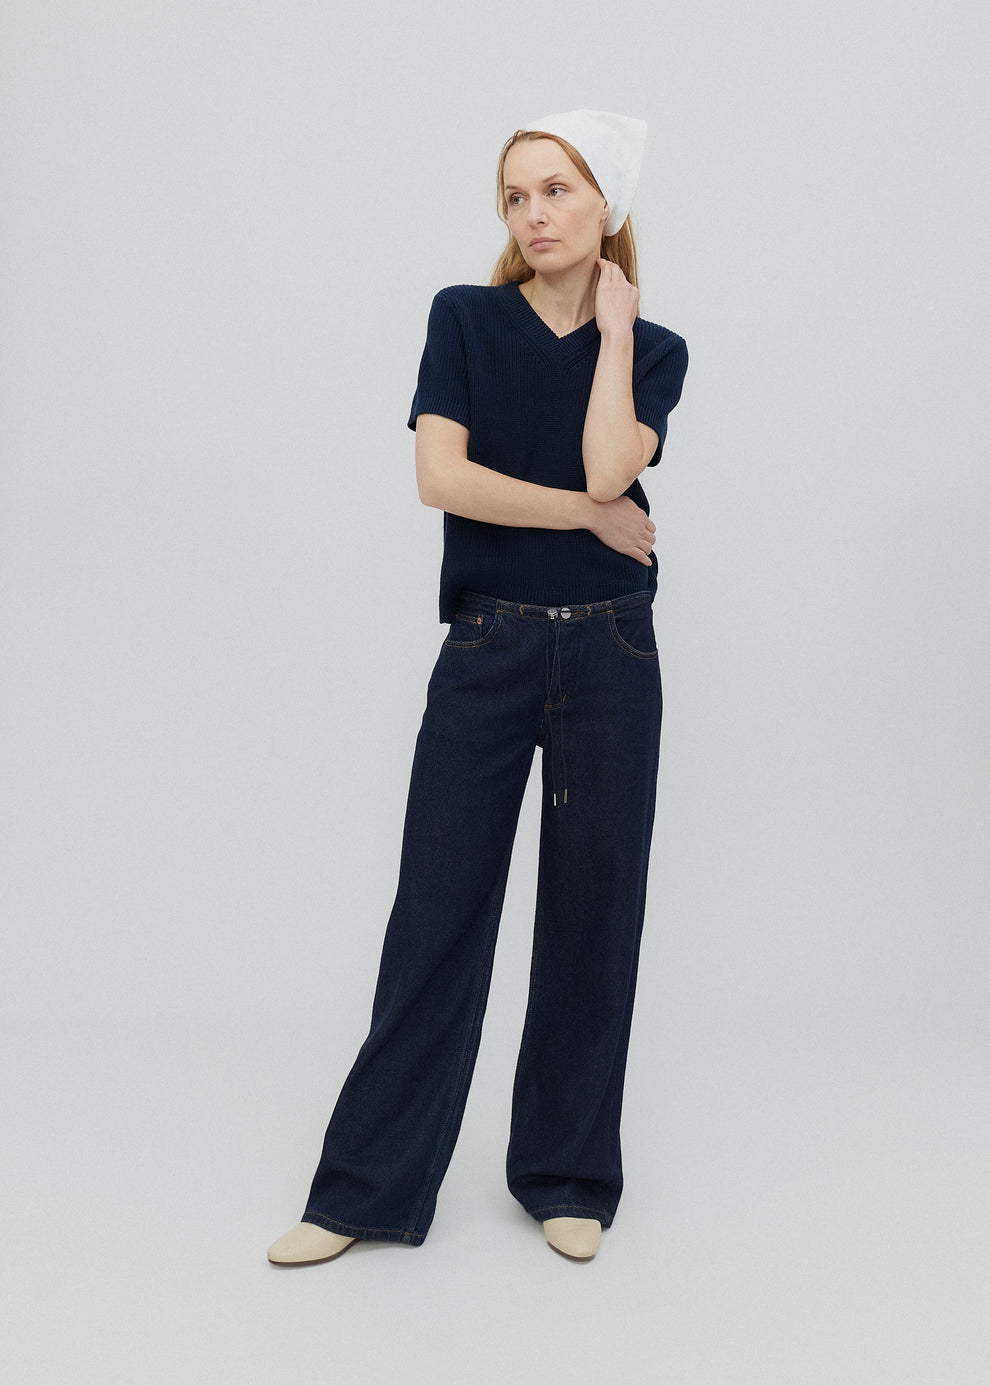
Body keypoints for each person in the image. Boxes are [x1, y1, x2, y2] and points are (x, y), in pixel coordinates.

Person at [268, 109, 688, 1265]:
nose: (534, 214)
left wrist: (613, 331)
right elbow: (439, 479)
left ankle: (565, 1173)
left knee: (594, 918)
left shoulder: (652, 350)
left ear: (608, 203)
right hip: (490, 646)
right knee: (437, 911)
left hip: (612, 653)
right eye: (515, 197)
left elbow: (613, 460)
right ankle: (361, 1189)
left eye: (558, 190)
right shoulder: (463, 318)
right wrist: (586, 517)